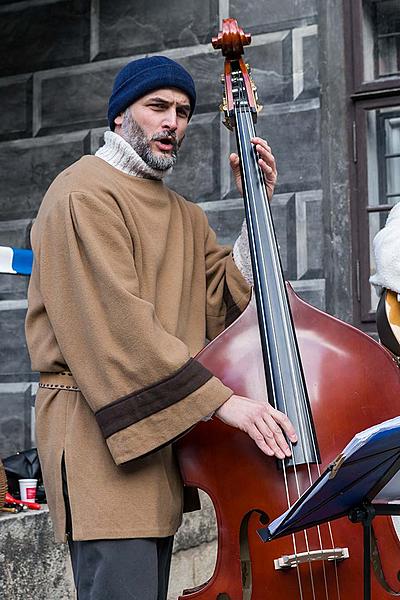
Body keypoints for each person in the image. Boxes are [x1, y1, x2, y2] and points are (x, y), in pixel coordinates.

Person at [25, 56, 297, 600]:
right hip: (98, 434)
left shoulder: (184, 213)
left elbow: (221, 308)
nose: (172, 121)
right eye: (157, 107)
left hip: (160, 437)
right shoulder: (82, 194)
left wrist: (256, 207)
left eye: (183, 111)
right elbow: (115, 329)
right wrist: (226, 404)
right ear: (122, 114)